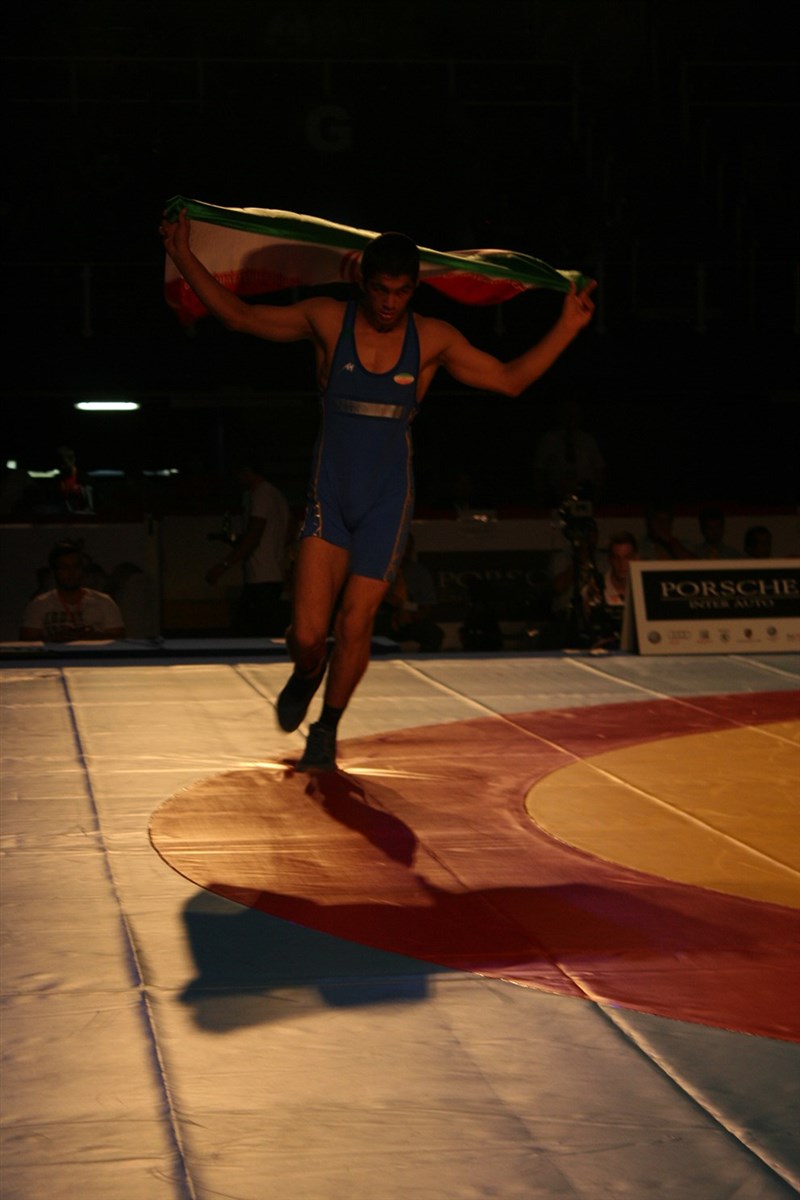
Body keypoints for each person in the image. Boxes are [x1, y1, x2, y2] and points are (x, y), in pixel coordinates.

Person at [161, 208, 596, 770]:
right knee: (308, 635)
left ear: (414, 288)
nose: (390, 303)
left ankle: (327, 728)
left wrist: (567, 327)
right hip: (330, 500)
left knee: (355, 623)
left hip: (385, 506)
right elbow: (241, 316)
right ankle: (308, 671)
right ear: (362, 283)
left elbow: (509, 381)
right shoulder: (327, 320)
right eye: (381, 290)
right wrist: (182, 254)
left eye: (402, 292)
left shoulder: (433, 338)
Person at [205, 460, 290, 636]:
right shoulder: (276, 495)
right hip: (273, 572)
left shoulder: (260, 495)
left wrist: (223, 565)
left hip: (260, 576)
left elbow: (254, 536)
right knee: (264, 630)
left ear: (246, 472)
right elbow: (286, 531)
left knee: (249, 631)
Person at [20, 540, 126, 642]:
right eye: (64, 568)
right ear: (54, 572)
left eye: (76, 567)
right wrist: (54, 639)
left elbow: (119, 638)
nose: (71, 573)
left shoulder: (104, 602)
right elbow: (27, 640)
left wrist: (93, 637)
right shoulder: (39, 604)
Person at [374, 534, 444, 651]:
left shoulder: (419, 573)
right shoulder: (376, 570)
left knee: (434, 634)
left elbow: (425, 606)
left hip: (409, 619)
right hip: (380, 619)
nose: (404, 553)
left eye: (408, 549)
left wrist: (407, 609)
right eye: (401, 548)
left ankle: (424, 659)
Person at [581, 530, 638, 647]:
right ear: (610, 559)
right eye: (616, 558)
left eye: (627, 558)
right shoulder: (594, 589)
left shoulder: (645, 588)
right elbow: (585, 629)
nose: (621, 564)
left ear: (636, 558)